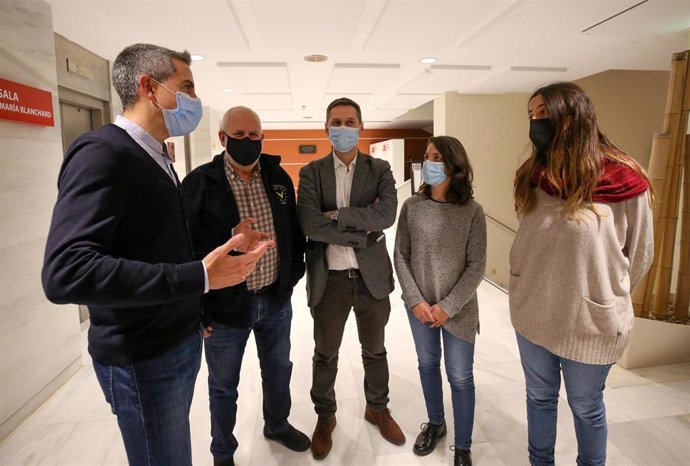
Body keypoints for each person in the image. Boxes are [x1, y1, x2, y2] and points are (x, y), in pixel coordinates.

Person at [41, 44, 273, 466]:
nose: (194, 100)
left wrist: (196, 303)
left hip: (175, 340)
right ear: (149, 87)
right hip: (141, 357)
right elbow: (66, 271)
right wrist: (199, 279)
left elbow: (157, 246)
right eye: (186, 86)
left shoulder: (157, 158)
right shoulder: (103, 153)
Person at [510, 81, 654, 466]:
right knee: (539, 398)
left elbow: (639, 255)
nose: (536, 121)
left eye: (544, 113)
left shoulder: (624, 179)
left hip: (591, 321)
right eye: (532, 114)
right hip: (532, 314)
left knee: (586, 406)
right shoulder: (534, 173)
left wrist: (602, 293)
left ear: (572, 117)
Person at [183, 106, 309, 466]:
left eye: (254, 135)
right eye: (238, 136)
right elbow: (186, 247)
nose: (248, 142)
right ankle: (223, 452)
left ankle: (278, 424)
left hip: (274, 299)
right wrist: (230, 238)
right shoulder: (199, 183)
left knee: (278, 369)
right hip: (224, 308)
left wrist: (290, 277)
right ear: (222, 138)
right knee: (223, 386)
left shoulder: (279, 178)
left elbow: (292, 230)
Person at [297, 97, 405, 460]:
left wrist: (338, 217)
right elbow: (311, 224)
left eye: (349, 121)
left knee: (375, 350)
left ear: (360, 126)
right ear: (326, 127)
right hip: (330, 279)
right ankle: (325, 417)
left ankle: (377, 408)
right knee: (325, 354)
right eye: (336, 121)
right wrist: (362, 230)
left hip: (371, 276)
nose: (343, 127)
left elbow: (387, 214)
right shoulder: (312, 172)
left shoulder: (380, 169)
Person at [394, 136, 486, 466]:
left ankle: (463, 446)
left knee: (460, 377)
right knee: (427, 365)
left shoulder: (472, 212)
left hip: (457, 309)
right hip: (419, 307)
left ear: (454, 165)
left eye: (437, 157)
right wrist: (415, 299)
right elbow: (401, 255)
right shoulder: (412, 207)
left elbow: (477, 265)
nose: (429, 162)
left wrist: (448, 306)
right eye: (427, 156)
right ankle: (435, 423)